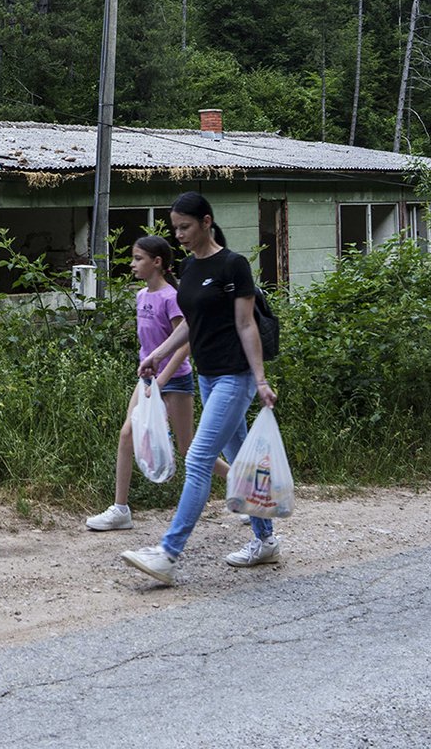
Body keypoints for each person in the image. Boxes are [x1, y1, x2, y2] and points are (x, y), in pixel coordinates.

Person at [120, 191, 279, 585]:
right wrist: (157, 353)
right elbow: (191, 323)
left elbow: (246, 325)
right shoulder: (189, 268)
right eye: (175, 229)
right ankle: (266, 541)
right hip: (206, 376)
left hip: (235, 376)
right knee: (240, 458)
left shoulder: (233, 265)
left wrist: (259, 380)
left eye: (186, 227)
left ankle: (168, 553)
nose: (179, 235)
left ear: (207, 222)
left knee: (198, 459)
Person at [86, 236, 196, 531]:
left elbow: (184, 346)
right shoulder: (141, 296)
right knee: (127, 434)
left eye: (138, 259)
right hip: (149, 380)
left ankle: (243, 488)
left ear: (157, 262)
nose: (132, 264)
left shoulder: (171, 297)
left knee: (190, 450)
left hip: (174, 380)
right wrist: (149, 376)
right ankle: (120, 509)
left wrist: (161, 380)